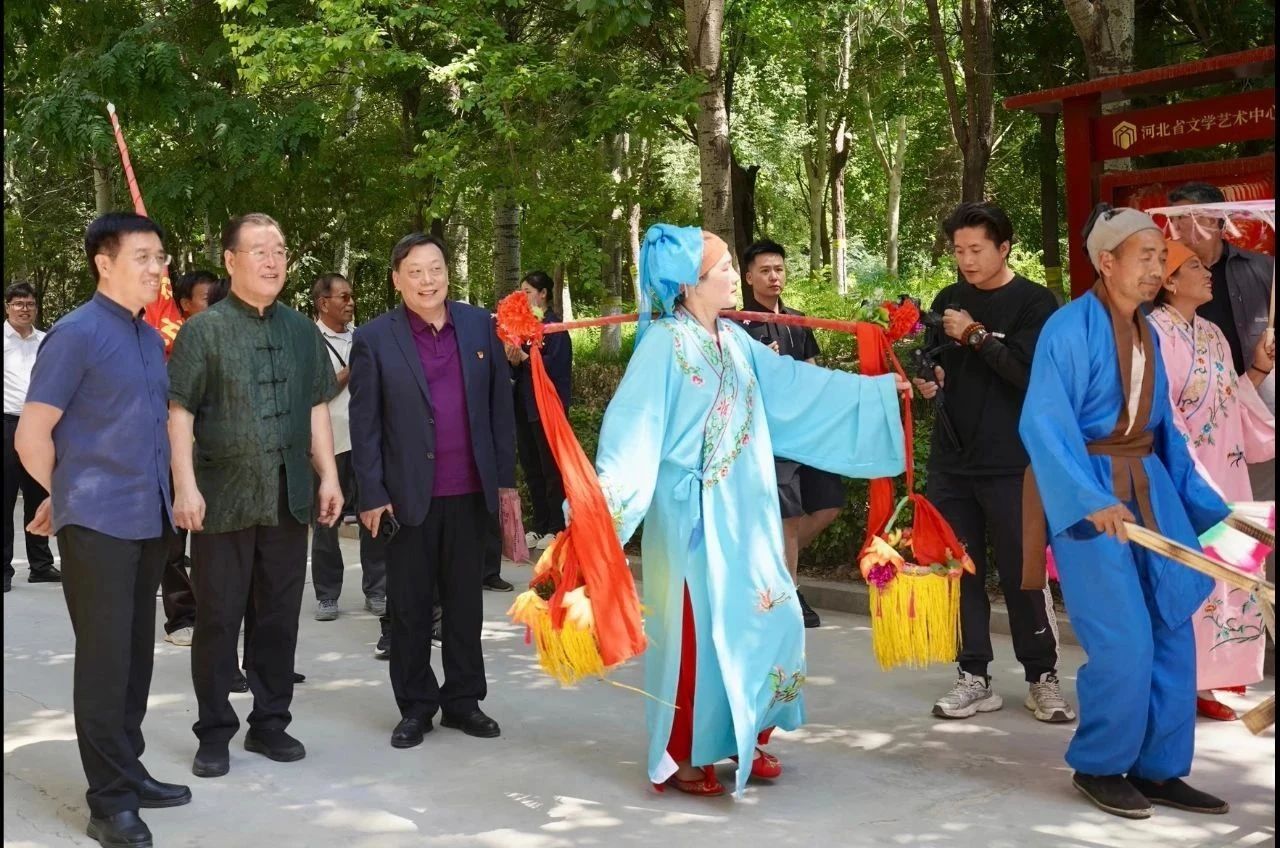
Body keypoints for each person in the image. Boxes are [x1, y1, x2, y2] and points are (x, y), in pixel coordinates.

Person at [591, 224, 907, 798]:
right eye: (724, 270)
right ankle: (685, 754)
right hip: (693, 518)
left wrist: (882, 392)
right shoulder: (663, 344)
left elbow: (798, 386)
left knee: (769, 620)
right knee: (698, 637)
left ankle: (746, 734)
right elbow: (632, 430)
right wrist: (598, 508)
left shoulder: (735, 340)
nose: (735, 277)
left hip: (749, 513)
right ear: (689, 284)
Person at [1020, 205, 1231, 819]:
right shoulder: (1067, 328)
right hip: (1091, 495)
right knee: (1124, 641)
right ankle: (1099, 764)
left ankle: (1159, 769)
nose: (1157, 269)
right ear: (1107, 262)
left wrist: (1211, 507)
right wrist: (1090, 500)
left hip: (1149, 490)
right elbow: (1044, 423)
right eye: (1146, 257)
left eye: (1161, 258)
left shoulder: (1148, 330)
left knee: (1172, 629)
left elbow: (1165, 432)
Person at [16, 212, 191, 848]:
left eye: (160, 257)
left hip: (148, 517)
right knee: (104, 659)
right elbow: (32, 434)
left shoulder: (146, 334)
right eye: (143, 256)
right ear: (104, 262)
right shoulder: (76, 334)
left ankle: (128, 768)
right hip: (98, 523)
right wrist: (64, 494)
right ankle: (109, 802)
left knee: (136, 656)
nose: (156, 268)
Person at [168, 213, 342, 779]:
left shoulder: (301, 331)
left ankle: (269, 723)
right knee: (218, 618)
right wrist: (185, 486)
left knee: (278, 618)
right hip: (222, 499)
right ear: (231, 260)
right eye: (260, 250)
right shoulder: (204, 330)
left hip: (288, 497)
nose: (272, 261)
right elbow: (179, 413)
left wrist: (329, 476)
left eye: (280, 251)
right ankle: (214, 730)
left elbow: (317, 407)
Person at [349, 232, 516, 749]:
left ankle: (464, 701)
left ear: (448, 272)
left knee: (465, 605)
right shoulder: (375, 338)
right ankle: (416, 706)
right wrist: (371, 493)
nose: (428, 280)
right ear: (397, 280)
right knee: (411, 609)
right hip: (406, 497)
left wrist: (505, 483)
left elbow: (499, 409)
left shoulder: (480, 325)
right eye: (415, 271)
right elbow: (364, 424)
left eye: (436, 268)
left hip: (469, 491)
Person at [910, 203, 1070, 722]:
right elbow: (931, 360)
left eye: (976, 249)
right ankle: (972, 676)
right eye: (959, 251)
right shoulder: (948, 299)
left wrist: (975, 336)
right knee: (960, 571)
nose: (967, 260)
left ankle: (1042, 677)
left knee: (1024, 573)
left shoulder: (1035, 303)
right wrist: (928, 379)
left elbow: (1029, 374)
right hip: (953, 462)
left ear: (1004, 247)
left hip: (1014, 463)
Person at [1147, 240, 1274, 720]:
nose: (1207, 274)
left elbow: (1230, 403)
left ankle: (1214, 677)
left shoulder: (1215, 334)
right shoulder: (1153, 334)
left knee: (1231, 574)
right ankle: (1184, 681)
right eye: (1196, 267)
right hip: (1187, 477)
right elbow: (1163, 414)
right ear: (1169, 281)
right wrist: (1189, 473)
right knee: (1192, 576)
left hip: (1229, 470)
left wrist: (1259, 366)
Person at [736, 240, 842, 629]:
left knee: (829, 504)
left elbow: (812, 373)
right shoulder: (736, 326)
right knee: (789, 518)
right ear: (749, 277)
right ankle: (789, 592)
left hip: (806, 433)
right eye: (764, 270)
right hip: (769, 437)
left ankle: (771, 566)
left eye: (778, 269)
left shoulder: (798, 319)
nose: (773, 277)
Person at [1167, 182, 1275, 505]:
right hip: (1195, 416)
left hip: (1256, 400)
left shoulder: (1262, 267)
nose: (1179, 227)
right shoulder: (1165, 279)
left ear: (1214, 219)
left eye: (1187, 217)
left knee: (1259, 506)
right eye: (1176, 219)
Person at [309, 272, 388, 620]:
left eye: (352, 296)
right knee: (327, 521)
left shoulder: (363, 337)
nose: (351, 303)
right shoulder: (309, 342)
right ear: (323, 303)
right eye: (343, 297)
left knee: (374, 514)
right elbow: (318, 392)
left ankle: (377, 590)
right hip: (328, 444)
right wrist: (354, 367)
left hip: (367, 442)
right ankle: (327, 595)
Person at [158, 270, 220, 647]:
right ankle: (181, 616)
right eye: (208, 300)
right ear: (184, 305)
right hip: (175, 455)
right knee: (173, 541)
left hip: (219, 458)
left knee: (219, 542)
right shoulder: (167, 349)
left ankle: (216, 613)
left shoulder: (231, 342)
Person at [505, 270, 572, 561]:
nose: (524, 297)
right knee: (531, 466)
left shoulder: (554, 328)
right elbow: (516, 366)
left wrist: (525, 358)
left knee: (550, 469)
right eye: (521, 292)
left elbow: (554, 366)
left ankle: (556, 526)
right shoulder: (523, 326)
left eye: (528, 292)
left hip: (546, 406)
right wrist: (512, 358)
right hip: (523, 405)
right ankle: (539, 524)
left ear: (543, 294)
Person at [4, 282, 59, 593]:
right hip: (7, 424)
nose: (24, 309)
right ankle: (3, 569)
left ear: (36, 308)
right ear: (7, 307)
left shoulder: (46, 341)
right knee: (5, 497)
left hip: (40, 426)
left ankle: (40, 565)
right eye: (18, 303)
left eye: (29, 304)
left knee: (39, 495)